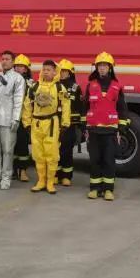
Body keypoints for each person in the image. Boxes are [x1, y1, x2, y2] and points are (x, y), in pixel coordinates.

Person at [84, 52, 129, 201]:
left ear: (110, 68)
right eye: (100, 65)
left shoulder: (117, 86)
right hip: (94, 130)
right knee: (95, 160)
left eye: (105, 65)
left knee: (109, 160)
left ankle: (108, 190)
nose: (102, 68)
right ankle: (95, 188)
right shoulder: (90, 85)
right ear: (96, 68)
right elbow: (85, 107)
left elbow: (122, 108)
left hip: (110, 131)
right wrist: (84, 126)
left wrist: (122, 126)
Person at [22, 60, 70, 194]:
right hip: (36, 123)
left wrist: (65, 124)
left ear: (55, 72)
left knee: (52, 154)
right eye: (44, 69)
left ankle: (50, 182)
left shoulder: (60, 88)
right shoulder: (34, 87)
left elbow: (66, 106)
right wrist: (26, 123)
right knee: (38, 154)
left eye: (49, 70)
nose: (46, 72)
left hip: (51, 123)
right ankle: (41, 181)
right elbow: (27, 105)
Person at [0, 50, 25, 190]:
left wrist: (16, 118)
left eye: (7, 59)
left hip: (8, 120)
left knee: (8, 150)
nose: (4, 61)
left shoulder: (18, 79)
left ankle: (6, 178)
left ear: (13, 62)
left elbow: (19, 99)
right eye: (2, 59)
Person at [56, 59, 83, 187]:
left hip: (69, 125)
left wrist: (79, 124)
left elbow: (79, 106)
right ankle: (55, 175)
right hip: (55, 123)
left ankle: (66, 176)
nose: (62, 73)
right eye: (60, 71)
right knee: (55, 150)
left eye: (65, 71)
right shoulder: (54, 85)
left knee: (66, 150)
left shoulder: (75, 88)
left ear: (70, 73)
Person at [13, 54, 35, 182]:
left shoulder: (31, 84)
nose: (18, 68)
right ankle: (12, 170)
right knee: (10, 145)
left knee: (22, 145)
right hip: (10, 117)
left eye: (21, 66)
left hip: (24, 118)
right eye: (16, 66)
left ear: (26, 69)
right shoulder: (9, 80)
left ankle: (23, 171)